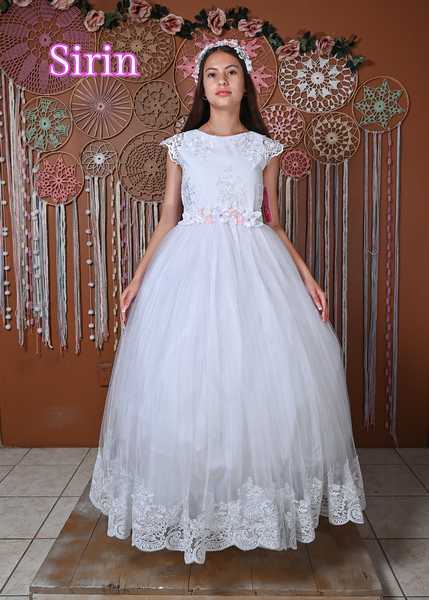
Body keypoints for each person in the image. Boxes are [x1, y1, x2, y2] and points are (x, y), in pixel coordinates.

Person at [89, 38, 366, 565]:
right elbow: (168, 218)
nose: (222, 80)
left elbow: (274, 222)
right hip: (191, 267)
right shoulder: (182, 146)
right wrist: (138, 278)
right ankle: (197, 503)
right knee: (190, 380)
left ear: (245, 84)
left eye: (232, 72)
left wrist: (307, 276)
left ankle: (248, 500)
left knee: (256, 380)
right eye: (212, 73)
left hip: (256, 267)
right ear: (202, 86)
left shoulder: (264, 149)